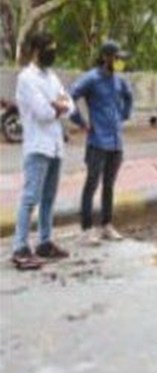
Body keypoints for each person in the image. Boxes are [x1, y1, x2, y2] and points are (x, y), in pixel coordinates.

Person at [11, 32, 75, 270]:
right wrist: (56, 105)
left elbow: (70, 106)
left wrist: (59, 105)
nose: (53, 52)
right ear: (36, 50)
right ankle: (20, 247)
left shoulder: (52, 76)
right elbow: (42, 112)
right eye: (49, 48)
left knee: (49, 199)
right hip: (38, 146)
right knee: (30, 199)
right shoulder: (26, 78)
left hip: (55, 146)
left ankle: (45, 242)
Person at [69, 40, 133, 245]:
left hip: (116, 143)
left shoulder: (119, 81)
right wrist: (81, 122)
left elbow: (129, 97)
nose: (119, 61)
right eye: (116, 57)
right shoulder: (91, 79)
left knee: (109, 185)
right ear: (106, 57)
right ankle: (86, 229)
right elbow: (70, 97)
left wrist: (124, 115)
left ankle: (107, 225)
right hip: (97, 141)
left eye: (120, 58)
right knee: (91, 184)